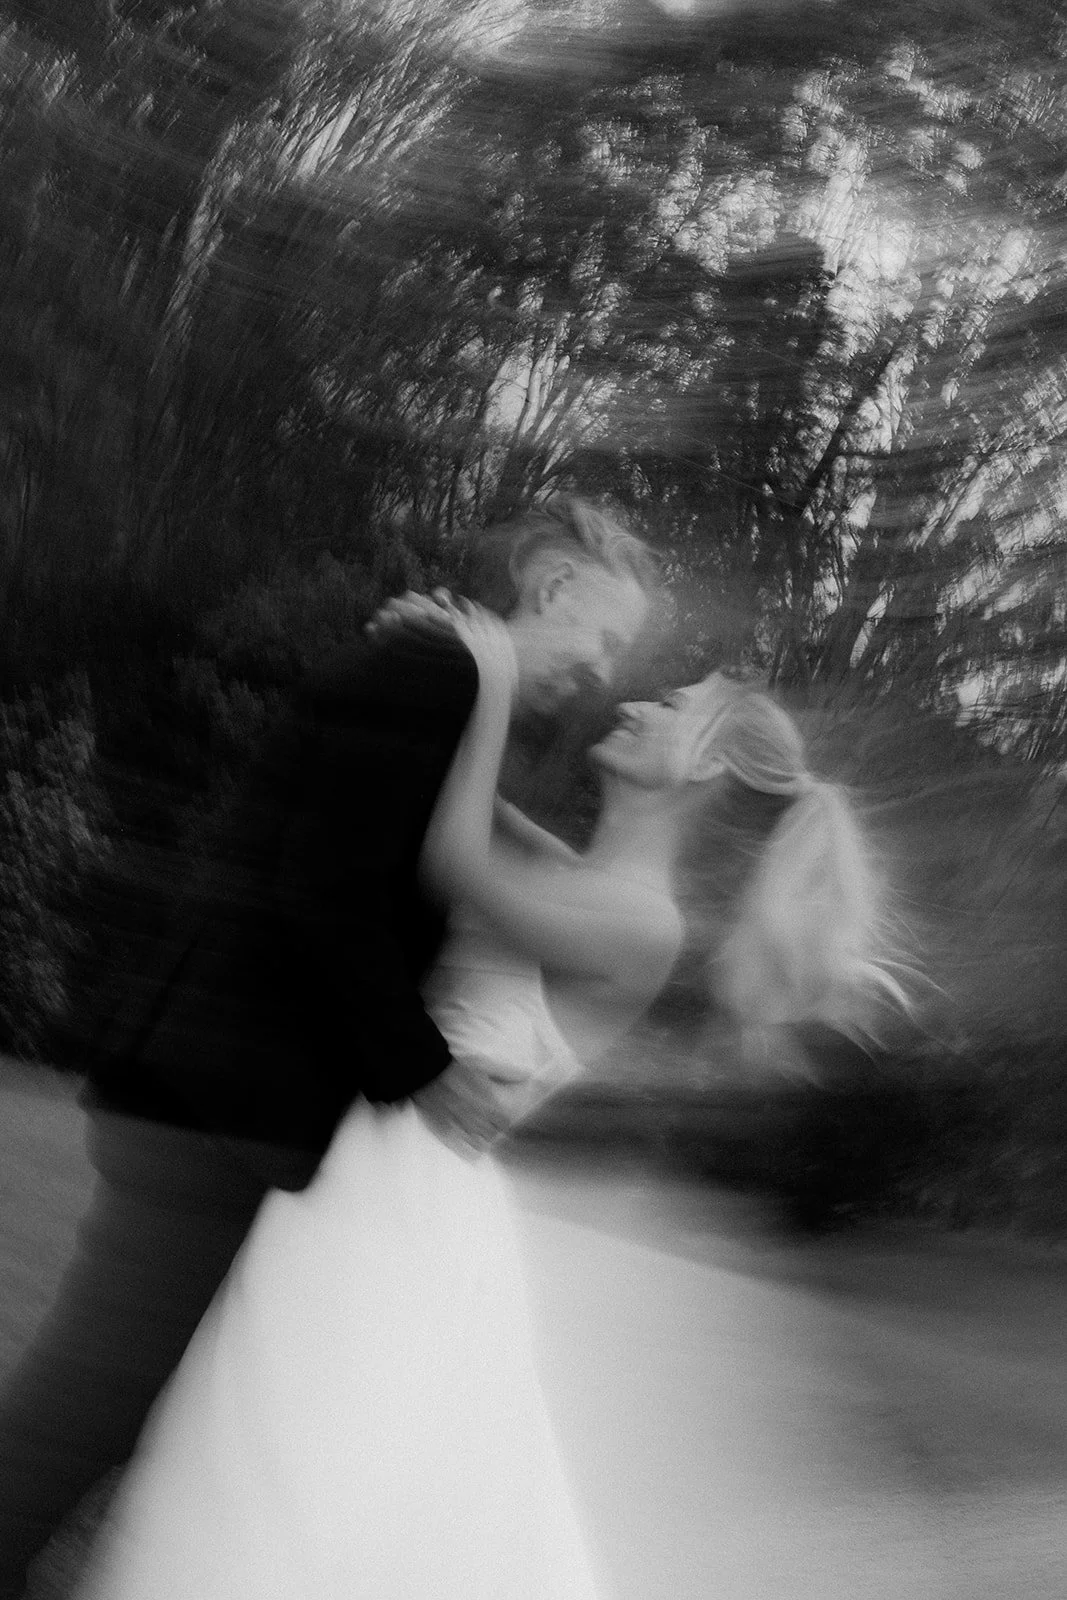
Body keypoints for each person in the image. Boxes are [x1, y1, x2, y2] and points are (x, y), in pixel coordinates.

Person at [72, 614, 903, 1599]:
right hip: (381, 1163)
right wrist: (436, 665)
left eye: (671, 706)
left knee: (303, 1446)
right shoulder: (580, 873)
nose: (638, 702)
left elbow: (451, 853)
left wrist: (489, 673)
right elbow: (449, 802)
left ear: (705, 766)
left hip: (404, 1196)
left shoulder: (643, 920)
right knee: (280, 1429)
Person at [0, 496, 657, 1600]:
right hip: (219, 1096)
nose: (601, 675)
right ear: (553, 589)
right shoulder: (437, 671)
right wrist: (426, 1072)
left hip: (218, 1093)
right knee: (94, 1399)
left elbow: (404, 862)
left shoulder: (447, 675)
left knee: (148, 1405)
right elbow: (325, 891)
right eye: (604, 640)